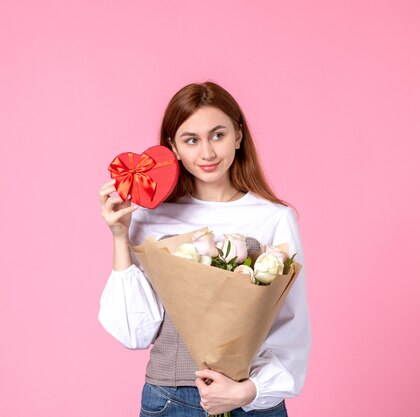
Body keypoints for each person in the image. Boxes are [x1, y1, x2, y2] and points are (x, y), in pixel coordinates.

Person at [97, 81, 311, 417]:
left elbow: (290, 325)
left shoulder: (274, 218)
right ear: (174, 148)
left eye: (218, 135)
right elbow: (135, 334)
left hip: (252, 403)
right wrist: (120, 236)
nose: (207, 153)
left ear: (238, 136)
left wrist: (248, 391)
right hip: (171, 401)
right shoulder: (152, 218)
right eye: (191, 139)